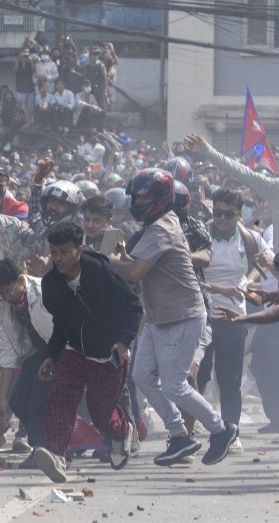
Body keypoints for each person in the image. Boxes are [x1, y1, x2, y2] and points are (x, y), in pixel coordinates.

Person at [110, 168, 238, 466]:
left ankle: (221, 429)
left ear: (161, 198)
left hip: (182, 314)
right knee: (141, 376)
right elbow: (136, 262)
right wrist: (117, 257)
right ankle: (180, 435)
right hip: (159, 316)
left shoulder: (161, 228)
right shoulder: (155, 225)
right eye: (136, 196)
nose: (139, 202)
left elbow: (135, 272)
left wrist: (107, 261)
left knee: (174, 384)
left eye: (145, 196)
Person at [31, 223, 143, 482]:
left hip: (109, 353)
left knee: (101, 413)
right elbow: (60, 323)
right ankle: (57, 454)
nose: (58, 259)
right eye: (54, 252)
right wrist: (52, 355)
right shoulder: (51, 284)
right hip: (75, 351)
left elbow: (133, 306)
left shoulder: (100, 271)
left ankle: (122, 431)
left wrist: (124, 342)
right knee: (59, 398)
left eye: (65, 252)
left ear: (79, 251)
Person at [198, 187, 271, 443]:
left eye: (228, 214)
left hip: (234, 316)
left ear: (239, 215)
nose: (221, 219)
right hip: (201, 314)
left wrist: (249, 282)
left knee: (230, 378)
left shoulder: (250, 238)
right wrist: (218, 289)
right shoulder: (201, 235)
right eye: (217, 212)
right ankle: (191, 429)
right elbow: (187, 273)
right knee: (199, 374)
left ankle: (231, 432)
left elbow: (267, 263)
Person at [0, 259, 54, 467]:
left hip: (61, 349)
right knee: (17, 400)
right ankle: (44, 447)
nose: (7, 298)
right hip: (38, 353)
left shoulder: (43, 292)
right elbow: (8, 351)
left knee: (38, 398)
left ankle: (46, 448)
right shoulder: (5, 304)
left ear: (20, 281)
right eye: (2, 294)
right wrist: (1, 400)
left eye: (9, 291)